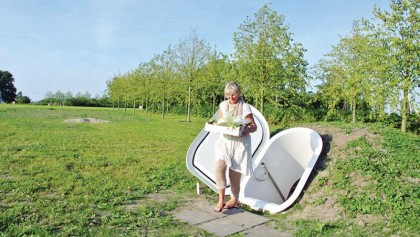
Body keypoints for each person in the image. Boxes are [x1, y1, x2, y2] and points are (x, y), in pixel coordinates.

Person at [211, 82, 257, 212]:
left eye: (234, 95)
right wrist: (213, 123)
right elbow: (219, 122)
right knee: (219, 166)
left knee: (234, 172)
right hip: (225, 141)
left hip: (239, 143)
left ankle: (235, 198)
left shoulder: (245, 107)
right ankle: (221, 199)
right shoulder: (223, 105)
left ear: (238, 94)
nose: (231, 98)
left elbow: (254, 126)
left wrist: (246, 130)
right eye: (228, 95)